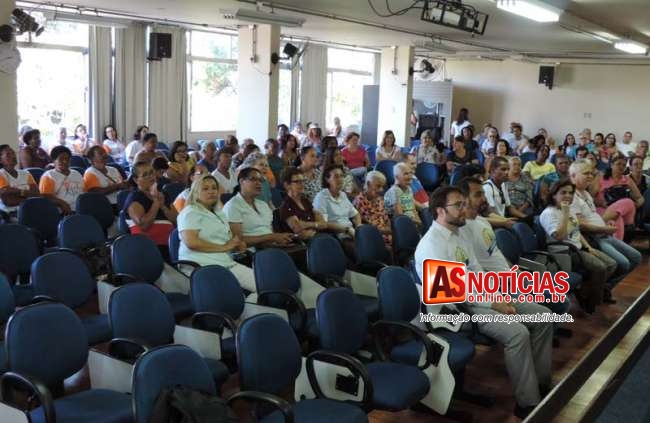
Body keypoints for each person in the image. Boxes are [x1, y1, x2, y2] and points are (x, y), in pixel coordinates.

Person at [415, 185, 553, 418]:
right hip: (456, 309)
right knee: (517, 333)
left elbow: (476, 269)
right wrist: (494, 304)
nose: (465, 208)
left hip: (481, 297)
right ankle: (527, 402)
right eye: (458, 205)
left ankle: (541, 382)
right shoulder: (431, 245)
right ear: (440, 210)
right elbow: (451, 291)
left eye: (464, 203)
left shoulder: (459, 233)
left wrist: (496, 295)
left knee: (543, 316)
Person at [540, 179, 616, 312]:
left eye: (571, 193)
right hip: (565, 252)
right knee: (600, 268)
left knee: (612, 264)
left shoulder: (568, 209)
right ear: (554, 195)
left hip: (579, 248)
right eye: (563, 192)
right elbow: (559, 237)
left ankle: (585, 291)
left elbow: (576, 231)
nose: (568, 196)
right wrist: (565, 213)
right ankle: (591, 302)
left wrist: (588, 247)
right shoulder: (549, 213)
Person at [177, 174, 259, 292]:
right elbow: (192, 242)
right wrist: (225, 247)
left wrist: (237, 247)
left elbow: (226, 242)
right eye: (205, 189)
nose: (211, 191)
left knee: (265, 284)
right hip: (203, 266)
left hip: (225, 263)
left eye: (214, 188)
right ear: (195, 193)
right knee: (238, 295)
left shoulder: (219, 213)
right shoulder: (190, 212)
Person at [570, 160, 641, 295]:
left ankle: (603, 287)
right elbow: (581, 225)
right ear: (573, 176)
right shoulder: (571, 195)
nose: (590, 176)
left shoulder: (585, 194)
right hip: (593, 237)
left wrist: (605, 225)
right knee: (624, 263)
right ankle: (594, 290)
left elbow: (592, 215)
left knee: (636, 257)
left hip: (603, 233)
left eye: (591, 173)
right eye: (586, 173)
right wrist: (604, 229)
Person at [223, 167, 294, 249]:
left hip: (270, 247)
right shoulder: (233, 206)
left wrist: (278, 240)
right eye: (253, 179)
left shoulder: (263, 205)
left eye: (260, 180)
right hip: (250, 252)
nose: (259, 183)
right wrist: (271, 237)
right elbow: (237, 240)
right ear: (242, 181)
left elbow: (269, 230)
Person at [124, 161, 178, 250]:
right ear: (136, 180)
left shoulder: (163, 194)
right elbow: (143, 225)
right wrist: (156, 202)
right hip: (149, 248)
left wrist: (163, 206)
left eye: (151, 172)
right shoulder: (134, 198)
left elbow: (177, 221)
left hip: (171, 244)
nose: (150, 176)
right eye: (145, 175)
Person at [312, 165, 362, 244]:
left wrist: (358, 227)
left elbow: (356, 214)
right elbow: (323, 223)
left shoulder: (343, 195)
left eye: (341, 176)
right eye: (336, 176)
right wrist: (347, 229)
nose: (340, 179)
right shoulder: (322, 197)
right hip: (336, 236)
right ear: (327, 179)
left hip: (351, 232)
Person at [278, 167, 330, 241]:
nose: (302, 184)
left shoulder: (305, 201)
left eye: (303, 181)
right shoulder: (286, 206)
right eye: (297, 182)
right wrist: (316, 225)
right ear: (287, 185)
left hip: (318, 237)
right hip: (304, 244)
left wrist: (306, 224)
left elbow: (324, 224)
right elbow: (302, 233)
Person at [483, 157, 527, 227]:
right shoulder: (487, 188)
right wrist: (506, 221)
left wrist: (525, 217)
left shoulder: (503, 184)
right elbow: (490, 214)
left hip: (504, 220)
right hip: (494, 225)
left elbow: (510, 208)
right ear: (493, 171)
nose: (507, 172)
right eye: (503, 169)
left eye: (508, 169)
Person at [39, 146, 84, 214]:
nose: (65, 161)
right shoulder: (48, 176)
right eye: (61, 159)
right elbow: (45, 196)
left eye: (67, 159)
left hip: (82, 208)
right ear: (54, 161)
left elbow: (83, 191)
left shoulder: (76, 174)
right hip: (64, 211)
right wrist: (62, 203)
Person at [353, 171, 392, 246]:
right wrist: (391, 231)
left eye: (382, 187)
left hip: (388, 234)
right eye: (378, 186)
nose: (381, 190)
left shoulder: (379, 199)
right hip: (374, 238)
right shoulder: (360, 201)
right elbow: (370, 227)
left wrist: (391, 230)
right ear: (368, 184)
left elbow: (387, 220)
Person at [0, 144, 39, 216]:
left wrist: (16, 192)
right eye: (8, 154)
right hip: (11, 214)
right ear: (0, 160)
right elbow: (8, 201)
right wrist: (27, 194)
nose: (13, 156)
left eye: (13, 153)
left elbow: (37, 194)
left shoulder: (26, 173)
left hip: (31, 209)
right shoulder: (1, 174)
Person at [384, 162, 422, 228]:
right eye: (406, 174)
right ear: (396, 177)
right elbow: (400, 216)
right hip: (400, 225)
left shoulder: (409, 189)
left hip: (412, 222)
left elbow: (413, 209)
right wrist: (416, 222)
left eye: (410, 173)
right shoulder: (394, 191)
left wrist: (419, 223)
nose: (410, 176)